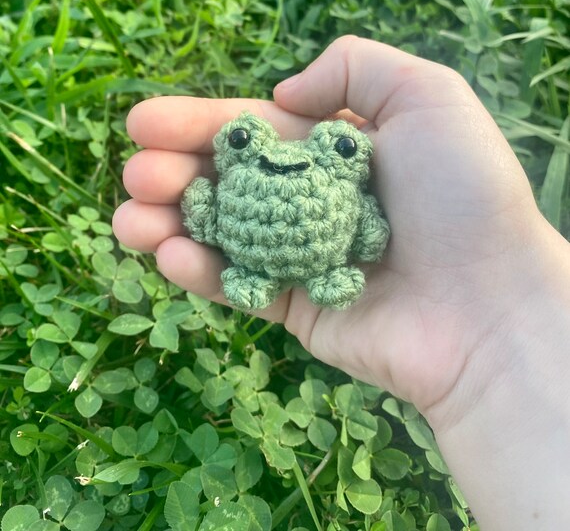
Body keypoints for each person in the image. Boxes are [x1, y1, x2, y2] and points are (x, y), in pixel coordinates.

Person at [112, 35, 570, 528]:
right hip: (252, 258)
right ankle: (259, 277)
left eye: (345, 147)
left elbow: (370, 231)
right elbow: (212, 208)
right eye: (241, 140)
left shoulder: (347, 201)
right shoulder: (235, 190)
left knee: (322, 273)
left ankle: (310, 278)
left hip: (325, 262)